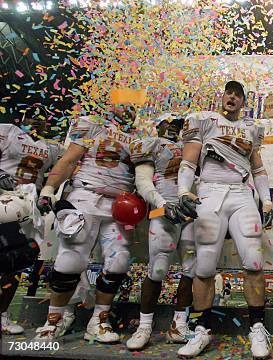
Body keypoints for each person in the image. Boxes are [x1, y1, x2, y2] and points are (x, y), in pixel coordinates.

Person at [175, 80, 273, 358]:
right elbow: (189, 160)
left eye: (238, 95)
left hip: (242, 193)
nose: (232, 97)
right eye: (229, 93)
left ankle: (256, 327)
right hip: (210, 190)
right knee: (204, 264)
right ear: (223, 97)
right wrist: (183, 189)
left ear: (243, 102)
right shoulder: (205, 121)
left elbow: (259, 168)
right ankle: (201, 329)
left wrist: (266, 198)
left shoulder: (251, 128)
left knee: (253, 259)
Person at [33, 104, 137, 342]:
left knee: (119, 261)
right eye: (123, 106)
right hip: (86, 196)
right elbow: (70, 160)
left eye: (133, 108)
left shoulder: (137, 139)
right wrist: (49, 189)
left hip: (120, 205)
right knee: (71, 259)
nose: (128, 111)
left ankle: (99, 320)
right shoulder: (92, 126)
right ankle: (54, 321)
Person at [126, 114, 197, 350]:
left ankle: (179, 324)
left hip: (191, 210)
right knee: (157, 269)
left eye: (177, 124)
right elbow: (143, 182)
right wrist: (161, 204)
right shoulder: (152, 145)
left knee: (192, 269)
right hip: (163, 208)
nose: (174, 127)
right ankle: (144, 326)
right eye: (169, 123)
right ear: (158, 126)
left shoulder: (193, 146)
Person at [0, 107, 62, 335]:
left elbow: (56, 177)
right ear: (23, 118)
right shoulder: (7, 132)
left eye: (43, 117)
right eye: (33, 115)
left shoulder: (53, 148)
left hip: (28, 206)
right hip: (2, 198)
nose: (38, 120)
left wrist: (49, 195)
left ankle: (2, 314)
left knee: (19, 259)